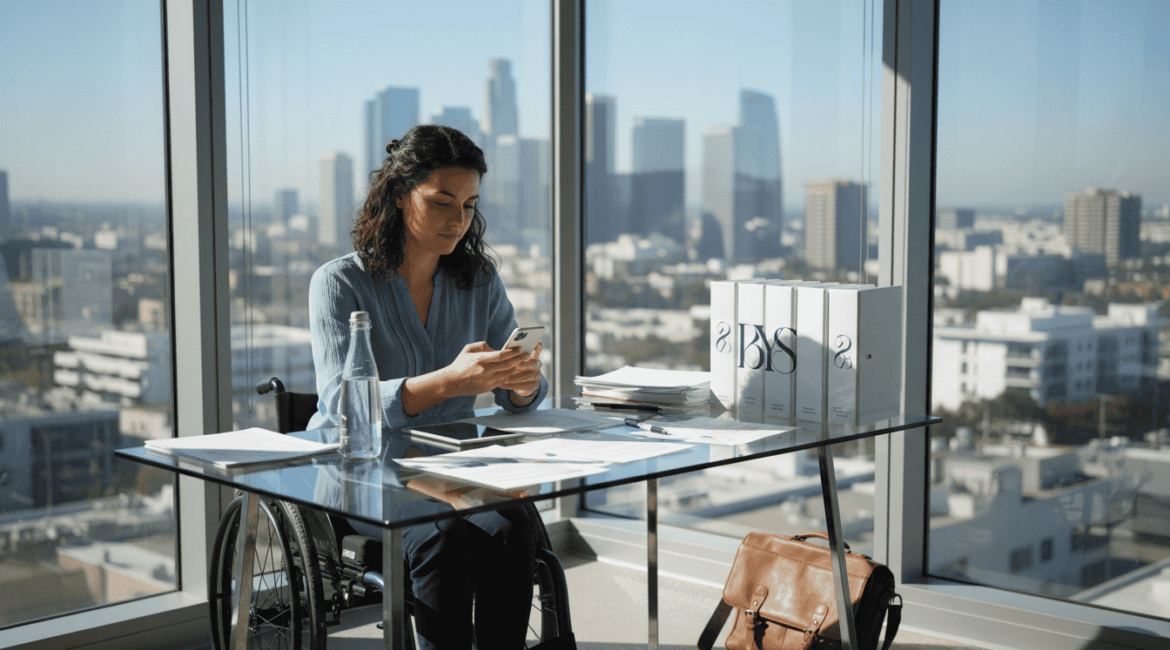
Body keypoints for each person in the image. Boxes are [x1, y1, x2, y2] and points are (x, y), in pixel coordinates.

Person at [307, 124, 546, 649]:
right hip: (361, 473)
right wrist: (445, 384)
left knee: (515, 526)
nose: (457, 220)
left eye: (468, 205)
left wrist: (523, 382)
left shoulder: (478, 279)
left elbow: (514, 394)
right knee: (445, 536)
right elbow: (343, 406)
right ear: (398, 195)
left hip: (451, 467)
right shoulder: (339, 284)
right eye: (441, 202)